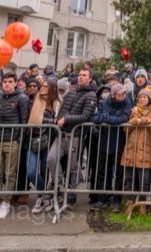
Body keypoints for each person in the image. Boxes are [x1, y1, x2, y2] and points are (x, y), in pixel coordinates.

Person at [0, 72, 30, 219]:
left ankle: (6, 202)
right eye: (5, 82)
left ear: (16, 83)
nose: (7, 84)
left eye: (10, 81)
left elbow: (24, 121)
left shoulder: (22, 98)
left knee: (9, 173)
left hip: (12, 140)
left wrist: (18, 140)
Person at [48, 69, 97, 209]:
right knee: (51, 159)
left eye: (84, 76)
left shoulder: (91, 95)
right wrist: (58, 119)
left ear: (90, 78)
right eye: (80, 75)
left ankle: (72, 192)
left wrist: (66, 119)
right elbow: (64, 108)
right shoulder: (72, 91)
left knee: (73, 166)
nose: (81, 78)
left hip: (75, 135)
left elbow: (85, 116)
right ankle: (59, 186)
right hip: (61, 133)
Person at [92, 83, 132, 212]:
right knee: (102, 171)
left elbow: (123, 119)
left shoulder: (127, 103)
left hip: (119, 142)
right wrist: (108, 118)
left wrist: (107, 118)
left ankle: (117, 200)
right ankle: (102, 198)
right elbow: (96, 118)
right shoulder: (104, 103)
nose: (123, 96)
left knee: (119, 174)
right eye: (121, 94)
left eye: (124, 93)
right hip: (104, 142)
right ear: (114, 95)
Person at [121, 87, 151, 214]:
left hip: (145, 151)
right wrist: (134, 121)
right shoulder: (132, 111)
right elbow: (125, 129)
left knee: (145, 179)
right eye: (140, 97)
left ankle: (142, 203)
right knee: (129, 178)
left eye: (144, 97)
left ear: (149, 99)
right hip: (131, 150)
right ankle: (130, 202)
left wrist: (144, 120)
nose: (142, 99)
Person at [27, 79, 61, 214]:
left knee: (44, 171)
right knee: (31, 171)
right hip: (32, 139)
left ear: (52, 88)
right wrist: (50, 121)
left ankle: (42, 198)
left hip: (48, 139)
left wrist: (51, 121)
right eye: (42, 86)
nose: (42, 88)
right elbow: (33, 118)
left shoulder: (57, 103)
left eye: (46, 86)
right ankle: (44, 194)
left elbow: (57, 119)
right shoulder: (35, 100)